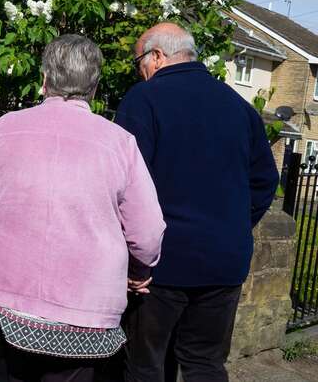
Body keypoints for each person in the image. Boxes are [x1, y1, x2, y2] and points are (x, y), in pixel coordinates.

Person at [0, 34, 166, 382]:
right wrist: (141, 270)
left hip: (15, 300)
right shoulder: (120, 143)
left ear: (44, 80)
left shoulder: (5, 128)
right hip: (87, 305)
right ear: (94, 88)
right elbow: (147, 229)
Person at [115, 23, 280, 382]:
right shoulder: (239, 107)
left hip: (160, 263)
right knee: (204, 363)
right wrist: (232, 225)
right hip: (224, 260)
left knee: (145, 364)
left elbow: (123, 184)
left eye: (139, 61)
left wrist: (131, 254)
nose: (139, 70)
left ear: (157, 56)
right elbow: (266, 179)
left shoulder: (144, 99)